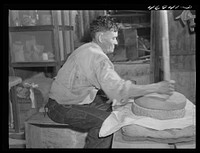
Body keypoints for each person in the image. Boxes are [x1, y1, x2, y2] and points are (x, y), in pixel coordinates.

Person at [45, 15, 175, 148]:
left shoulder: (87, 48)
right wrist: (157, 88)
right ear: (101, 37)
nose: (116, 42)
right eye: (113, 38)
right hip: (61, 108)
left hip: (63, 101)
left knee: (112, 106)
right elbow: (119, 90)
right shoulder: (98, 58)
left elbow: (90, 79)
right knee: (107, 123)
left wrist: (110, 91)